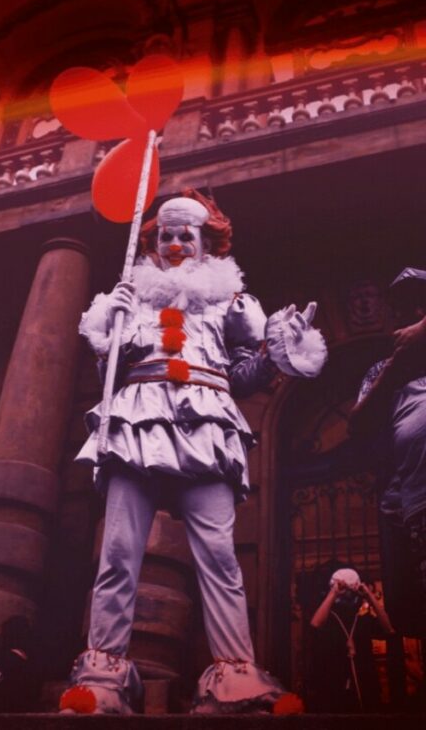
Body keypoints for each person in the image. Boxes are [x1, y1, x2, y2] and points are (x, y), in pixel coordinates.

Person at [66, 190, 327, 714]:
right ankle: (105, 676)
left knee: (220, 557)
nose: (177, 242)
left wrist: (281, 352)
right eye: (167, 234)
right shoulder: (130, 298)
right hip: (138, 422)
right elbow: (107, 380)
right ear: (154, 241)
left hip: (206, 424)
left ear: (207, 242)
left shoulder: (231, 303)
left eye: (188, 234)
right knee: (118, 554)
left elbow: (243, 377)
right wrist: (107, 334)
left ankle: (234, 678)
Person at [350, 267, 426, 646]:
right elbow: (359, 423)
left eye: (420, 304)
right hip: (413, 504)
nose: (410, 312)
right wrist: (398, 367)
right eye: (402, 307)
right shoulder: (384, 368)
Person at [306, 567, 394, 712]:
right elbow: (315, 625)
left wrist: (369, 596)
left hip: (364, 682)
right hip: (333, 684)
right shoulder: (330, 618)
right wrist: (334, 593)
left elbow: (389, 629)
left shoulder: (362, 619)